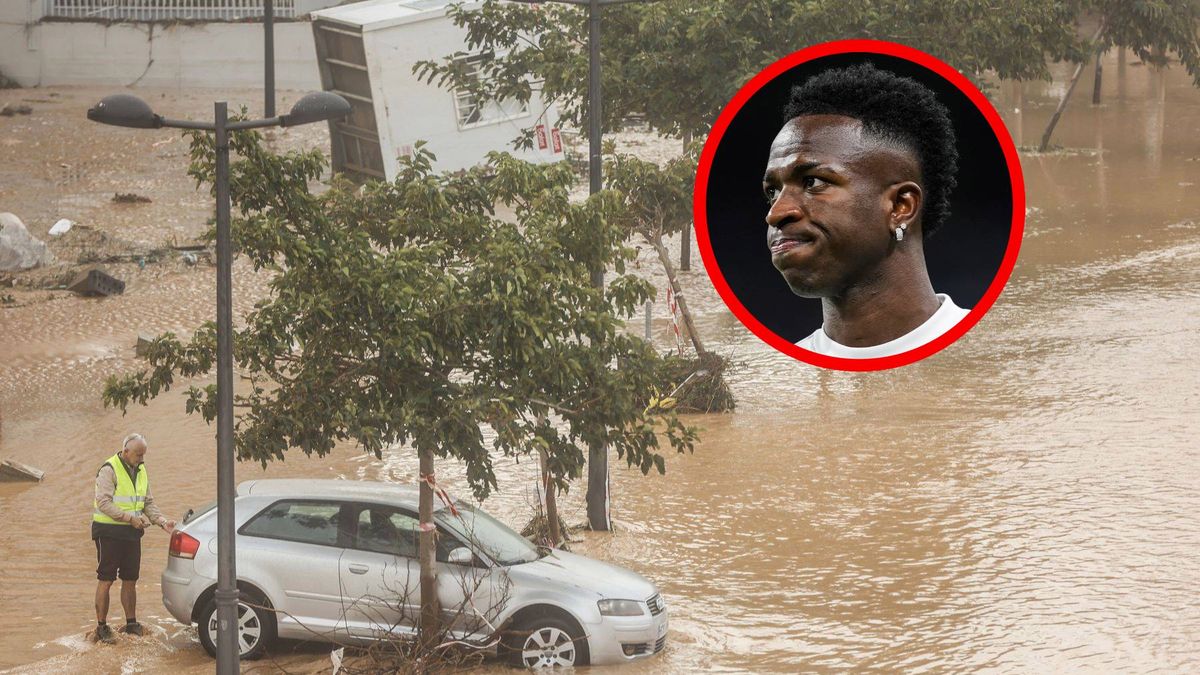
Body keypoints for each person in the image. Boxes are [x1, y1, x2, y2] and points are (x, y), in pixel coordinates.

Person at [762, 63, 970, 358]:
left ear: (900, 206)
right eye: (772, 192)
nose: (776, 212)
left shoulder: (991, 352)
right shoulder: (779, 378)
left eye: (813, 182)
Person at [92, 433, 175, 643]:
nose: (141, 459)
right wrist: (130, 518)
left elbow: (147, 502)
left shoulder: (141, 469)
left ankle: (131, 624)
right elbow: (103, 502)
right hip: (109, 532)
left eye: (143, 455)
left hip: (131, 533)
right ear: (126, 451)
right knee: (106, 579)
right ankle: (101, 626)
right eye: (138, 454)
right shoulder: (108, 469)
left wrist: (162, 521)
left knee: (130, 579)